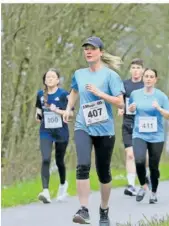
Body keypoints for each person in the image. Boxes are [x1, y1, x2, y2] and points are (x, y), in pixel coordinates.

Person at [63, 36, 125, 225]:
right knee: (82, 165)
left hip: (105, 128)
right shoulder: (79, 74)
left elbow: (120, 101)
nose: (88, 51)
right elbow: (74, 91)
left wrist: (100, 94)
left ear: (101, 52)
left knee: (103, 172)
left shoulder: (110, 76)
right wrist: (69, 108)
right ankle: (83, 209)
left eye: (92, 48)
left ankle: (104, 210)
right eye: (85, 49)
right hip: (83, 126)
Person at [128, 68, 169, 204]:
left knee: (154, 166)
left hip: (156, 136)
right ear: (143, 78)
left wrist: (159, 109)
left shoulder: (161, 96)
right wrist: (130, 109)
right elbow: (130, 109)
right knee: (139, 160)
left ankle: (153, 192)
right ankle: (143, 185)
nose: (148, 79)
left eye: (151, 76)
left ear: (155, 79)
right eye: (146, 76)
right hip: (139, 134)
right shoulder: (135, 94)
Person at [35, 68, 72, 203]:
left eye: (52, 77)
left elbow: (71, 114)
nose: (49, 79)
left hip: (61, 132)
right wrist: (38, 116)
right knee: (45, 159)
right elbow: (38, 110)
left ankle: (63, 184)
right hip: (46, 131)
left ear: (57, 80)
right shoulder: (40, 94)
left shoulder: (63, 94)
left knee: (59, 161)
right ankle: (45, 191)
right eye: (47, 77)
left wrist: (57, 111)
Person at [118, 58, 151, 196]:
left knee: (144, 157)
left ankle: (147, 175)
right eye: (133, 68)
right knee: (130, 154)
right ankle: (131, 185)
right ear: (130, 70)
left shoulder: (146, 85)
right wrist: (120, 108)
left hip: (143, 124)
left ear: (142, 70)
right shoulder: (124, 85)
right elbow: (120, 100)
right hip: (128, 123)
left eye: (138, 68)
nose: (136, 70)